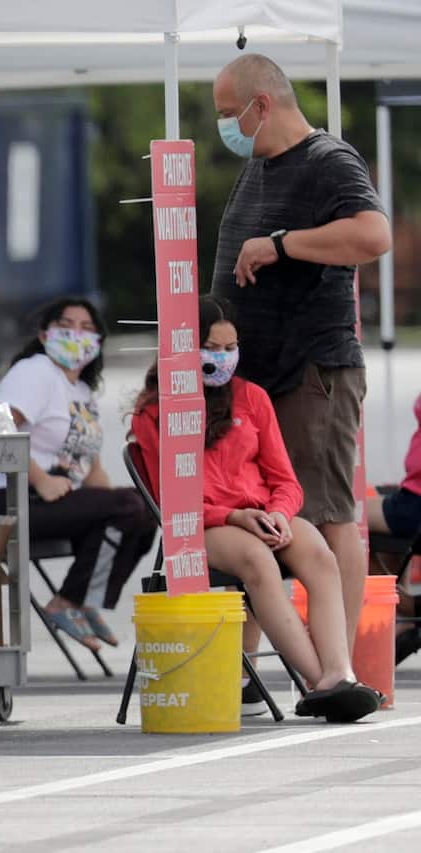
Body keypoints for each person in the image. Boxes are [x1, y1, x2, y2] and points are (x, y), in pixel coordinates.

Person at [210, 53, 392, 652]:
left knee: (327, 514)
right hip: (257, 376)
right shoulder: (259, 165)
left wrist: (282, 245)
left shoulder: (327, 161)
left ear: (262, 105)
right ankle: (250, 661)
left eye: (229, 113)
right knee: (263, 510)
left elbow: (373, 235)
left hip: (311, 372)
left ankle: (341, 664)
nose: (225, 126)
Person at [132, 296, 380, 723]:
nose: (222, 358)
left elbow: (285, 480)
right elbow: (170, 499)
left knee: (319, 553)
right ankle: (321, 684)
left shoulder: (253, 397)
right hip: (203, 522)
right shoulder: (154, 413)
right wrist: (233, 516)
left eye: (230, 348)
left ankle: (340, 672)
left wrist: (280, 512)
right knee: (257, 560)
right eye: (212, 348)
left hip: (263, 513)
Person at [0, 298, 156, 651]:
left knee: (144, 514)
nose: (76, 334)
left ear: (98, 341)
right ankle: (67, 602)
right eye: (66, 326)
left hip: (54, 500)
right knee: (128, 508)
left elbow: (91, 468)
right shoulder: (35, 372)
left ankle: (84, 601)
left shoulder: (82, 390)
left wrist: (123, 504)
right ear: (44, 335)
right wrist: (40, 479)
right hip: (8, 499)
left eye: (86, 328)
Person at [365, 391, 421, 662]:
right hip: (410, 495)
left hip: (415, 502)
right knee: (384, 537)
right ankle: (404, 618)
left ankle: (404, 606)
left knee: (343, 521)